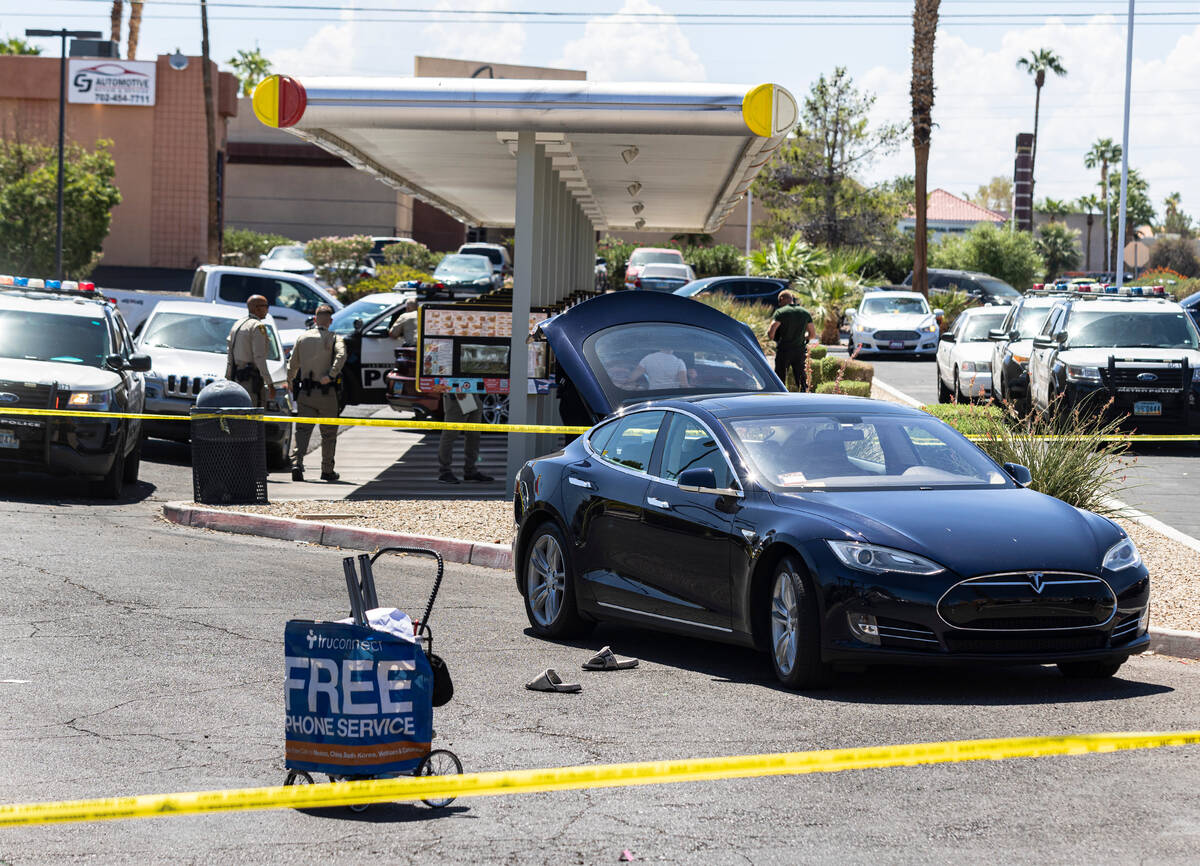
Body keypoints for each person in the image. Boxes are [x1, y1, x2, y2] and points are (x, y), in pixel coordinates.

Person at [287, 304, 347, 482]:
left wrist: (290, 382)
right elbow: (341, 356)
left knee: (303, 430)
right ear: (330, 321)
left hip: (306, 392)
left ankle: (297, 464)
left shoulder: (302, 338)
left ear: (314, 319)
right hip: (326, 392)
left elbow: (292, 364)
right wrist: (331, 375)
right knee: (328, 433)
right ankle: (327, 470)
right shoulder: (334, 338)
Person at [225, 295, 276, 407]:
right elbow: (259, 358)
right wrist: (270, 383)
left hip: (237, 378)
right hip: (251, 381)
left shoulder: (238, 324)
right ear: (257, 308)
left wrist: (228, 378)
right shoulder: (257, 326)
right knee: (252, 414)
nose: (267, 309)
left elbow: (230, 355)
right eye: (266, 306)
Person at [438, 389, 494, 485]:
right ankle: (444, 471)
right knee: (450, 434)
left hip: (472, 392)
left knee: (474, 435)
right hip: (458, 392)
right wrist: (456, 389)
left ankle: (470, 470)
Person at [767, 290, 817, 392]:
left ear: (782, 299)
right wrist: (804, 338)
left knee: (780, 379)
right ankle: (804, 400)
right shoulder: (804, 313)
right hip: (799, 351)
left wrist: (772, 337)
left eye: (779, 302)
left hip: (784, 350)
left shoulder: (780, 312)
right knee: (801, 380)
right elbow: (812, 334)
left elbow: (771, 332)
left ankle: (780, 401)